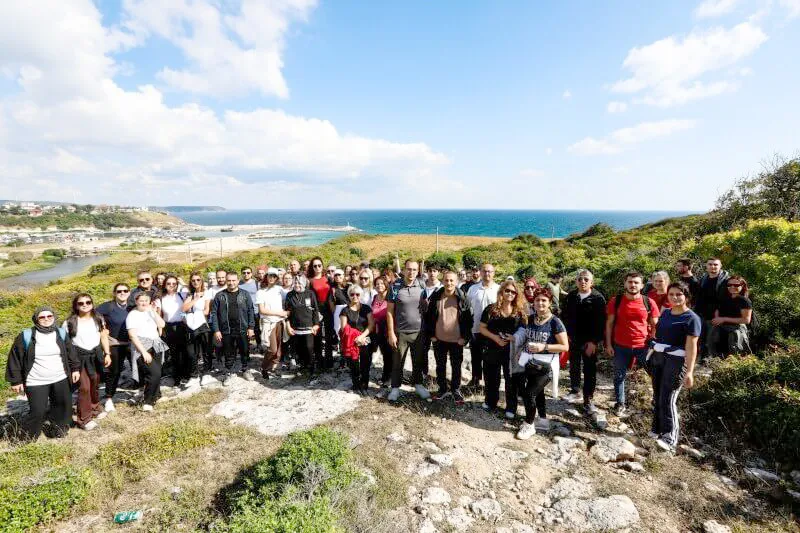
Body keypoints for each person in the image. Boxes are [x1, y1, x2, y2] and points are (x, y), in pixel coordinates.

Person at [6, 307, 80, 439]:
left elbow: (71, 352)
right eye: (42, 317)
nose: (46, 319)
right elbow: (15, 357)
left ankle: (57, 431)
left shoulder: (61, 333)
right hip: (36, 381)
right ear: (36, 319)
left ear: (54, 317)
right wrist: (16, 381)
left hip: (60, 377)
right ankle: (28, 437)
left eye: (49, 316)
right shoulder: (26, 335)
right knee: (37, 411)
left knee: (61, 407)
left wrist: (75, 368)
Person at [510, 287, 569, 439]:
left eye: (544, 300)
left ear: (550, 303)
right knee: (538, 392)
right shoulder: (530, 319)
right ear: (533, 303)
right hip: (529, 362)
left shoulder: (555, 322)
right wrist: (518, 349)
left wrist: (545, 347)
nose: (540, 303)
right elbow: (525, 338)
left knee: (529, 394)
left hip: (546, 366)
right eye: (537, 300)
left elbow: (564, 346)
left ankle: (529, 425)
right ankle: (542, 420)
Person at [648, 281, 701, 453]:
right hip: (659, 359)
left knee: (668, 399)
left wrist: (690, 371)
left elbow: (692, 347)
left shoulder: (692, 318)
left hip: (677, 363)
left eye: (679, 294)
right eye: (671, 294)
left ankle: (670, 438)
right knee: (657, 396)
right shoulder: (666, 314)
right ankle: (656, 430)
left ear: (686, 296)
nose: (675, 297)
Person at [605, 272, 660, 417]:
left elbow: (656, 324)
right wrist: (609, 344)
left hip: (643, 347)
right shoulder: (615, 301)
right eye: (630, 282)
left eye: (636, 282)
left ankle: (657, 402)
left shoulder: (649, 302)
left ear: (642, 285)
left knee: (654, 373)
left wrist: (654, 342)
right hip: (620, 346)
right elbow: (609, 324)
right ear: (625, 284)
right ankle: (620, 403)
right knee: (619, 376)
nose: (633, 285)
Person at [424, 271, 473, 404]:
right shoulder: (437, 296)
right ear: (443, 281)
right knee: (440, 366)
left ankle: (456, 390)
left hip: (457, 340)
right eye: (446, 280)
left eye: (452, 280)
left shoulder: (462, 297)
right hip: (439, 339)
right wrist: (432, 335)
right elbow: (429, 317)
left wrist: (465, 338)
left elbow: (469, 319)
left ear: (456, 282)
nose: (449, 283)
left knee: (456, 366)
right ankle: (442, 389)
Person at [561, 270, 606, 413]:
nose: (583, 281)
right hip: (572, 338)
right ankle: (575, 391)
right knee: (573, 365)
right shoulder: (571, 296)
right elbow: (565, 316)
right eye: (580, 279)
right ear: (576, 281)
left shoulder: (598, 298)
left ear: (592, 282)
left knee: (589, 369)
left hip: (589, 341)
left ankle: (588, 398)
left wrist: (594, 342)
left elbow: (601, 323)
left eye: (586, 279)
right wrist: (565, 334)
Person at [479, 280, 527, 414]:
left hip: (512, 351)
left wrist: (513, 338)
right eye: (507, 291)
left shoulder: (519, 312)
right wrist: (495, 338)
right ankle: (490, 402)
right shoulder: (491, 309)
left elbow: (524, 331)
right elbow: (482, 328)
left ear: (516, 294)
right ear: (501, 292)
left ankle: (511, 408)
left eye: (513, 292)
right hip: (492, 348)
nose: (510, 294)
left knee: (511, 379)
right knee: (491, 378)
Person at [386, 259, 431, 402]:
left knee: (418, 360)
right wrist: (391, 333)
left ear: (418, 271)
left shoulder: (422, 285)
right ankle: (395, 388)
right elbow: (389, 312)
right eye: (408, 269)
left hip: (419, 331)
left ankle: (418, 384)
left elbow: (425, 306)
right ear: (404, 270)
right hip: (401, 331)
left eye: (414, 270)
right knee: (398, 360)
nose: (411, 272)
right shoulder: (395, 287)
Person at [66, 293, 111, 431]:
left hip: (96, 355)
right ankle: (84, 419)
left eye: (88, 302)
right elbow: (66, 344)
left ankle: (95, 407)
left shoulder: (98, 318)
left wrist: (107, 353)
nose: (85, 305)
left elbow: (103, 337)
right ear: (76, 305)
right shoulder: (69, 322)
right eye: (81, 303)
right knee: (84, 387)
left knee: (95, 382)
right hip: (78, 357)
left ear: (92, 303)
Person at [210, 272, 256, 384]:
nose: (231, 283)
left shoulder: (245, 294)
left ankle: (245, 369)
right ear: (226, 280)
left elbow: (251, 310)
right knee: (228, 352)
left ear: (237, 280)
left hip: (242, 328)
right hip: (226, 329)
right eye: (229, 280)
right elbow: (214, 313)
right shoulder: (220, 295)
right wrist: (216, 330)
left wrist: (251, 327)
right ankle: (229, 372)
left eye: (234, 280)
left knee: (244, 350)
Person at [126, 292, 167, 411]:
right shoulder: (132, 315)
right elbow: (132, 336)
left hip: (156, 343)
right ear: (136, 301)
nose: (144, 303)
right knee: (153, 373)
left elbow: (162, 324)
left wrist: (153, 312)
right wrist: (143, 352)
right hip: (142, 346)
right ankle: (147, 401)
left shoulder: (151, 312)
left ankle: (157, 395)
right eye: (141, 300)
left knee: (158, 371)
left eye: (146, 300)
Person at [96, 283, 132, 412]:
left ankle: (142, 390)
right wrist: (102, 327)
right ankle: (109, 397)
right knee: (114, 371)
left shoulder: (133, 305)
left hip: (132, 342)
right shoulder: (107, 307)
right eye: (119, 291)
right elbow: (94, 315)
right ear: (114, 293)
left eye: (125, 291)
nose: (122, 293)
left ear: (129, 292)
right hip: (115, 343)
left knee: (139, 367)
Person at [466, 263, 499, 389]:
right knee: (475, 355)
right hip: (475, 328)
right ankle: (475, 379)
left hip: (492, 331)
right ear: (480, 272)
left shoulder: (498, 289)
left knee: (490, 358)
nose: (487, 274)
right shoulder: (473, 289)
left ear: (494, 273)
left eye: (490, 271)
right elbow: (467, 308)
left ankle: (489, 382)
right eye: (485, 271)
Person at [339, 284, 375, 393]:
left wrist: (362, 337)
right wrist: (356, 337)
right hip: (351, 341)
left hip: (365, 338)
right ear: (349, 296)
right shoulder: (345, 310)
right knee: (353, 364)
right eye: (352, 294)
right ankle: (356, 384)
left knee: (365, 362)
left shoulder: (366, 308)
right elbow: (344, 328)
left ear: (361, 295)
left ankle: (364, 384)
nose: (355, 296)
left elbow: (371, 325)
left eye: (357, 294)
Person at [284, 276, 321, 375]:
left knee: (309, 347)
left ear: (304, 283)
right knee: (299, 348)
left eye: (299, 283)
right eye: (295, 283)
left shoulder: (310, 293)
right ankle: (303, 366)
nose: (297, 285)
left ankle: (312, 367)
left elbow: (316, 310)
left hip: (309, 326)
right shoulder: (289, 295)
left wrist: (316, 324)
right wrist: (288, 326)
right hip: (295, 327)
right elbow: (286, 312)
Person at [709, 275, 753, 357]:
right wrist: (717, 318)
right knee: (718, 354)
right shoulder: (725, 297)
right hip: (721, 330)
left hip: (736, 332)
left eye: (736, 285)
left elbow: (746, 320)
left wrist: (723, 319)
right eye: (729, 285)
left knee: (735, 355)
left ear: (742, 286)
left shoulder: (744, 301)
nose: (732, 287)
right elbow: (718, 309)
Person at [694, 258, 730, 356]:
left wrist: (720, 314)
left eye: (715, 264)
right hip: (702, 314)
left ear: (720, 266)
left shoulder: (726, 281)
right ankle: (702, 360)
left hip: (716, 316)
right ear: (706, 266)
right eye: (710, 264)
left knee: (713, 341)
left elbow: (727, 300)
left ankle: (713, 363)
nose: (713, 267)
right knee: (700, 339)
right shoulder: (703, 279)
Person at [257, 268, 288, 378]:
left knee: (279, 349)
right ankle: (264, 367)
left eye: (274, 276)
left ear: (276, 278)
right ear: (266, 277)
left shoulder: (279, 289)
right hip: (268, 323)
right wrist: (279, 313)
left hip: (279, 322)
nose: (271, 278)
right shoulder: (261, 292)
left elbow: (289, 296)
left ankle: (273, 368)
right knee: (272, 349)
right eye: (270, 275)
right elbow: (262, 310)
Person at [160, 274, 190, 386]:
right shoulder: (161, 298)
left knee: (185, 351)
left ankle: (186, 374)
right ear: (164, 285)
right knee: (174, 353)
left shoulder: (182, 295)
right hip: (169, 327)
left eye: (174, 283)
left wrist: (183, 283)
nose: (171, 285)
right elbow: (160, 315)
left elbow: (193, 291)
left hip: (182, 326)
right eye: (169, 283)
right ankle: (177, 376)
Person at [182, 272, 211, 388]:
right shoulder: (189, 295)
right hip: (191, 326)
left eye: (198, 280)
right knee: (192, 352)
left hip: (203, 325)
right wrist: (194, 299)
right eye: (193, 280)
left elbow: (206, 311)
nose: (196, 282)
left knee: (206, 350)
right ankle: (194, 375)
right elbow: (184, 308)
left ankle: (206, 373)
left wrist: (192, 312)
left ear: (202, 281)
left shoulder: (207, 293)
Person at [308, 257, 334, 370]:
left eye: (319, 265)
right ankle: (319, 360)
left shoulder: (328, 279)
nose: (317, 267)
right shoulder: (310, 281)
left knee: (328, 335)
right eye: (315, 266)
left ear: (322, 266)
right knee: (317, 335)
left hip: (328, 309)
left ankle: (329, 361)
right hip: (316, 309)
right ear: (312, 267)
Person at [371, 276, 392, 385]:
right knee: (384, 354)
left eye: (382, 284)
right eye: (377, 284)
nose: (379, 286)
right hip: (377, 330)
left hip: (388, 330)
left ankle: (388, 379)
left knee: (389, 355)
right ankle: (385, 376)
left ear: (386, 285)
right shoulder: (375, 297)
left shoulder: (390, 297)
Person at [239, 266, 260, 351]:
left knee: (257, 330)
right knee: (244, 330)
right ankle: (245, 348)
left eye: (248, 272)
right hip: (243, 311)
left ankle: (259, 345)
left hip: (255, 310)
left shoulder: (256, 283)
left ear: (251, 274)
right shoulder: (238, 284)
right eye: (244, 273)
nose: (246, 274)